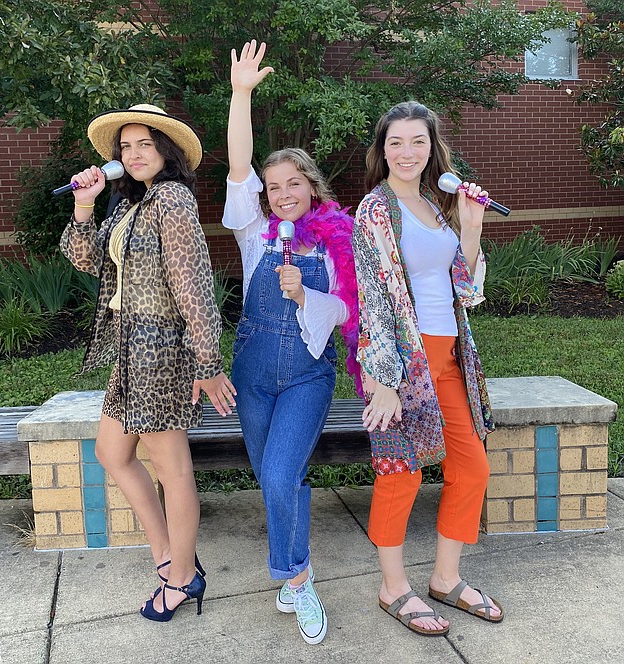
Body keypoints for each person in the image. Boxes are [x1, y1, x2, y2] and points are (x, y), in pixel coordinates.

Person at [60, 103, 236, 623]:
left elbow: (194, 284)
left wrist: (207, 361)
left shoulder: (174, 201)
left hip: (161, 351)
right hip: (128, 350)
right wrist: (85, 206)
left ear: (166, 151)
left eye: (145, 144)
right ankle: (170, 557)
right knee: (111, 453)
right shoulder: (133, 203)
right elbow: (90, 260)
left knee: (173, 471)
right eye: (126, 147)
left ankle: (183, 577)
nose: (134, 154)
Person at [222, 41, 360, 645]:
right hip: (252, 372)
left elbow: (346, 311)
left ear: (311, 187)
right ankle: (292, 576)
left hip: (307, 373)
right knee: (275, 479)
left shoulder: (335, 241)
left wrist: (304, 296)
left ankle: (298, 582)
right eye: (272, 185)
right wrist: (241, 94)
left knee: (280, 478)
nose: (281, 193)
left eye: (292, 183)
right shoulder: (254, 234)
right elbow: (237, 164)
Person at [352, 101, 503, 636]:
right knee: (402, 474)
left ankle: (445, 578)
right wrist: (382, 380)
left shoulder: (436, 208)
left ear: (432, 149)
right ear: (382, 150)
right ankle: (393, 589)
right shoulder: (375, 209)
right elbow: (373, 301)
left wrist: (470, 226)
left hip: (450, 359)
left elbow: (466, 290)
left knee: (473, 470)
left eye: (418, 141)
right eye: (396, 142)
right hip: (400, 364)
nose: (407, 152)